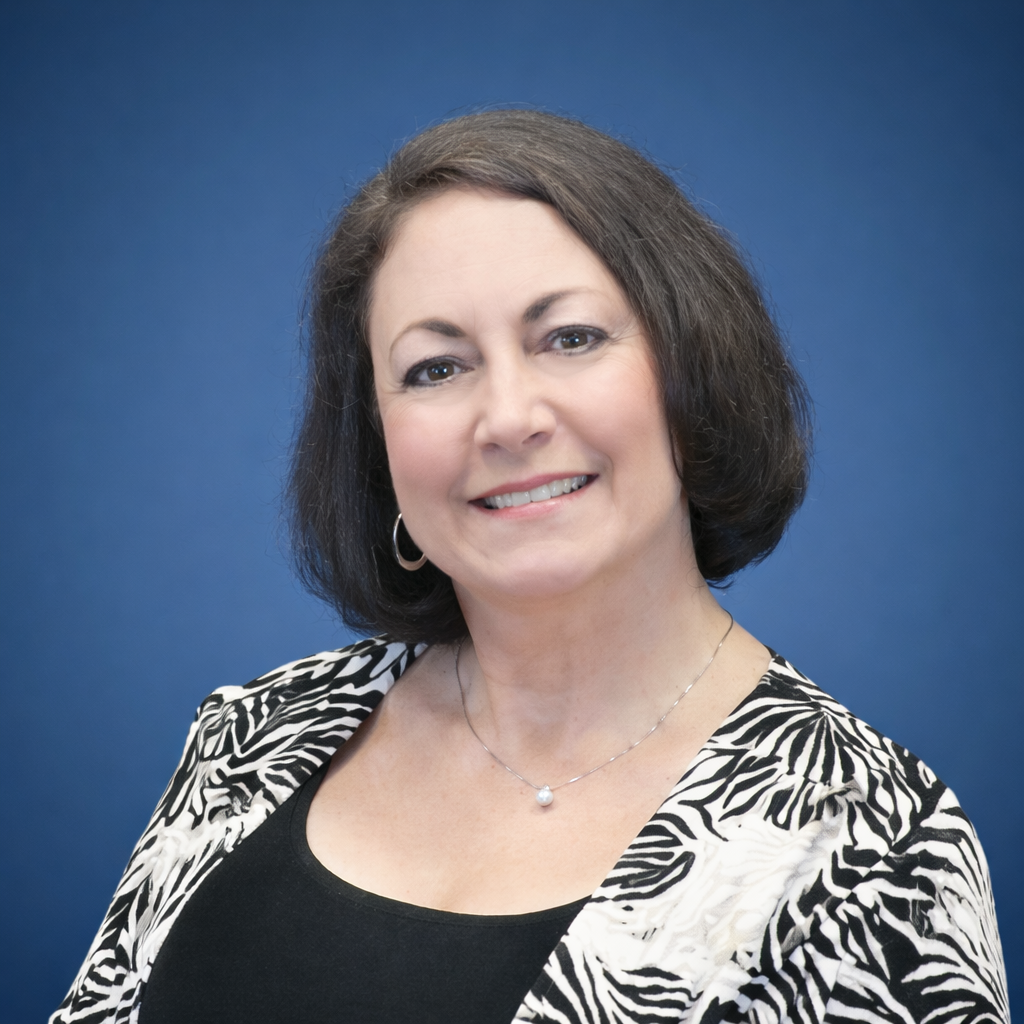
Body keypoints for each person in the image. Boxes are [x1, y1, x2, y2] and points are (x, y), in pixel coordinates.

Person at [52, 110, 1007, 1024]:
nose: (509, 417)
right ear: (378, 443)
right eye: (436, 367)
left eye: (571, 338)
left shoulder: (872, 847)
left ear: (691, 374)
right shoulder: (249, 738)